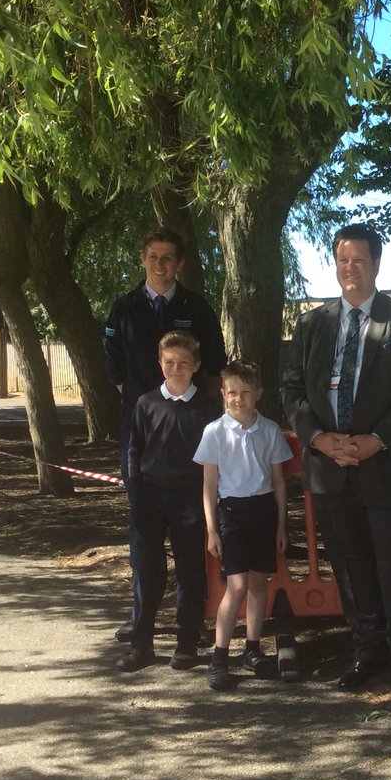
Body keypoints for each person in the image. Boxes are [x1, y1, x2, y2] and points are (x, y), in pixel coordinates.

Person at [281, 223, 391, 696]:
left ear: (376, 264)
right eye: (343, 260)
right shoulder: (311, 325)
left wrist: (377, 440)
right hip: (331, 468)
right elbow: (291, 391)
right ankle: (366, 652)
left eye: (360, 260)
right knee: (350, 567)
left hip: (388, 465)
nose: (350, 268)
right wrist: (318, 439)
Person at [104, 227, 227, 643]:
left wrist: (196, 409)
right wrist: (144, 402)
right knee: (144, 537)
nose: (160, 265)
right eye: (153, 256)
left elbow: (214, 364)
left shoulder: (197, 307)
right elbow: (113, 363)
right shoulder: (124, 308)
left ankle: (193, 622)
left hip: (190, 432)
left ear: (179, 263)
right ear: (142, 259)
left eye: (168, 257)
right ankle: (141, 618)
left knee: (192, 537)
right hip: (143, 431)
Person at [115, 332, 220, 673]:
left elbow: (214, 458)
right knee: (147, 571)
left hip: (190, 500)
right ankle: (141, 644)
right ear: (160, 364)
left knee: (190, 572)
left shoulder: (207, 408)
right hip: (149, 498)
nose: (176, 369)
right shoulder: (146, 403)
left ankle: (187, 643)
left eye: (183, 363)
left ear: (196, 366)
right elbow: (134, 449)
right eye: (170, 362)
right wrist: (135, 491)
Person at [194, 360, 293, 691]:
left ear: (259, 393)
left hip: (263, 511)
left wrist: (281, 526)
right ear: (223, 393)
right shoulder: (215, 432)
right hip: (232, 513)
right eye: (233, 393)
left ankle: (253, 649)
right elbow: (209, 485)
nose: (239, 399)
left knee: (259, 584)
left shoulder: (270, 430)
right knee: (236, 585)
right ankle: (219, 656)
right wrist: (212, 529)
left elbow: (278, 481)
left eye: (246, 393)